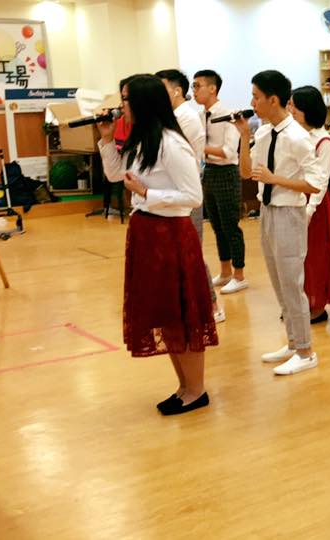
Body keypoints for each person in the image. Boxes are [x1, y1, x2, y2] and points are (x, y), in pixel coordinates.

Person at [96, 74, 217, 415]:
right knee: (165, 313)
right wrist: (106, 140)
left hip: (171, 234)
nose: (121, 106)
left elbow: (193, 196)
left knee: (182, 315)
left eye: (125, 99)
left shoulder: (171, 142)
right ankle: (184, 386)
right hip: (148, 233)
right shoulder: (142, 139)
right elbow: (117, 176)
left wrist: (148, 193)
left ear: (143, 103)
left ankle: (196, 390)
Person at [234, 70, 322, 376]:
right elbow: (246, 173)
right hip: (268, 210)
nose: (252, 103)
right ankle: (293, 341)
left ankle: (306, 351)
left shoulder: (298, 137)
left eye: (256, 97)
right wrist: (244, 137)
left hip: (289, 213)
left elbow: (315, 183)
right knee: (278, 281)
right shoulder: (263, 133)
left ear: (274, 100)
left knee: (292, 283)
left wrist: (276, 179)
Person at [156, 68, 225, 323]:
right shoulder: (173, 116)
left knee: (191, 252)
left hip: (187, 193)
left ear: (176, 91)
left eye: (161, 89)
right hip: (173, 194)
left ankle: (213, 305)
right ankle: (187, 305)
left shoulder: (185, 117)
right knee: (178, 254)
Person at [287, 86, 330, 324]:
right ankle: (300, 302)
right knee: (296, 256)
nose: (290, 111)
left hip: (314, 204)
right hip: (296, 197)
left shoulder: (323, 141)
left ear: (306, 110)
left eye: (294, 107)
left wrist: (309, 210)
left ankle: (317, 306)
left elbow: (321, 182)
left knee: (314, 256)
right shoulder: (296, 135)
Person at [192, 69, 247, 294]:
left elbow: (228, 151)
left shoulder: (228, 115)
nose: (194, 91)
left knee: (230, 225)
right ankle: (225, 272)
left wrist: (198, 147)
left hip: (227, 173)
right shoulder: (199, 116)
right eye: (193, 86)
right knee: (216, 225)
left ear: (212, 88)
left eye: (198, 86)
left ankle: (239, 275)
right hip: (209, 173)